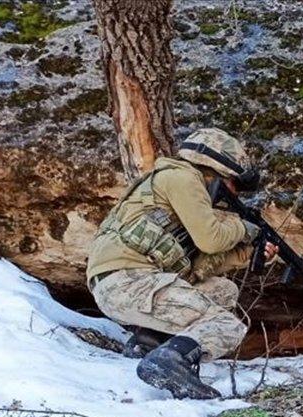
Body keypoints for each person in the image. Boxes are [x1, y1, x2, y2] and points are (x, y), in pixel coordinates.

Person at [84, 128, 278, 400]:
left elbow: (195, 268)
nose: (232, 194)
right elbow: (211, 239)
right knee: (228, 326)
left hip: (128, 284)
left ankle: (147, 343)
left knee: (223, 291)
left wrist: (248, 254)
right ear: (216, 169)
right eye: (233, 184)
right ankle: (170, 362)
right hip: (127, 282)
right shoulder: (182, 177)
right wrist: (243, 227)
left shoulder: (178, 185)